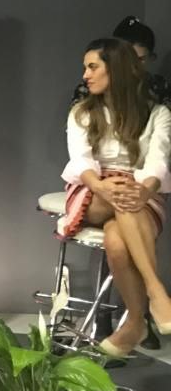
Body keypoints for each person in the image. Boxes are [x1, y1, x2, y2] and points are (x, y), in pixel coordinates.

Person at [60, 38, 171, 357]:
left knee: (117, 241)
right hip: (92, 189)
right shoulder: (81, 112)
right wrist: (102, 185)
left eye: (92, 67)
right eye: (86, 68)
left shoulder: (157, 113)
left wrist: (144, 188)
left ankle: (135, 322)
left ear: (117, 69)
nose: (85, 75)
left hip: (141, 189)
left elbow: (158, 162)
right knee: (121, 195)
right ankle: (156, 291)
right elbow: (80, 160)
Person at [72, 17, 171, 106]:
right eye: (127, 58)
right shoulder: (92, 86)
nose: (133, 65)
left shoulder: (158, 86)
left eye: (140, 59)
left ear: (151, 57)